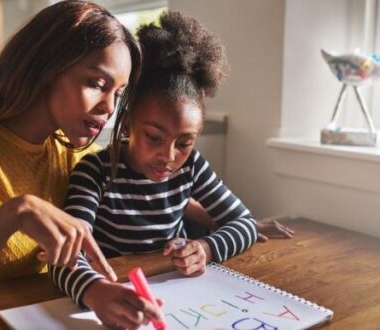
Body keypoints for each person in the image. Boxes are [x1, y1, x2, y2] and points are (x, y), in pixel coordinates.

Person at [0, 1, 151, 325]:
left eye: (118, 94)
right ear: (47, 68)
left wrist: (94, 291)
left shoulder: (70, 154)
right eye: (96, 83)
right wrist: (15, 213)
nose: (108, 107)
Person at [48, 11, 260, 329]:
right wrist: (94, 290)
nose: (168, 156)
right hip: (114, 295)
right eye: (154, 137)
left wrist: (206, 248)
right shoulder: (95, 171)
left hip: (179, 298)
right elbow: (65, 254)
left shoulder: (191, 168)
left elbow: (245, 224)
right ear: (130, 120)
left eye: (184, 142)